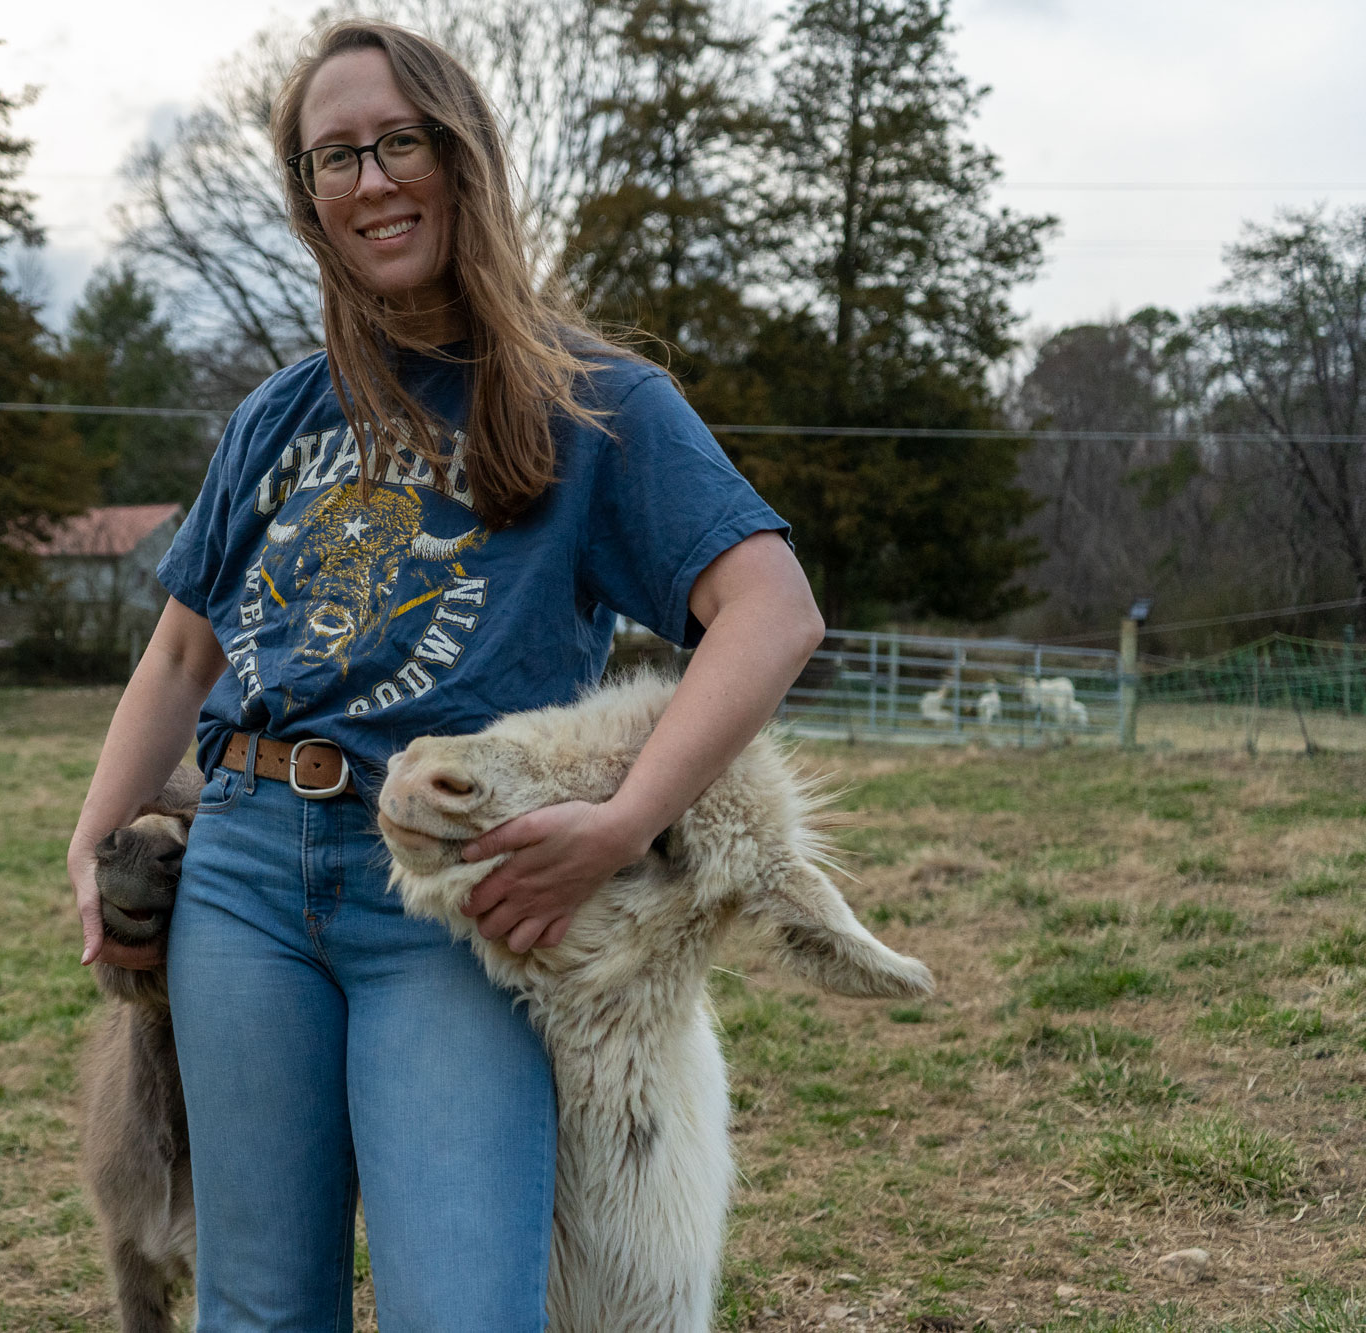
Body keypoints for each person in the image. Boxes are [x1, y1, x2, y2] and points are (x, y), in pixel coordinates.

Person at [66, 19, 824, 1332]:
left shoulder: (598, 401)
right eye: (331, 159)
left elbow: (770, 610)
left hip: (453, 902)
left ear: (460, 155)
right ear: (309, 200)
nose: (368, 181)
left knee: (464, 1313)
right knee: (257, 1309)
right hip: (239, 877)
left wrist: (625, 819)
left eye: (395, 142)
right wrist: (90, 838)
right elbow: (186, 646)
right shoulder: (278, 413)